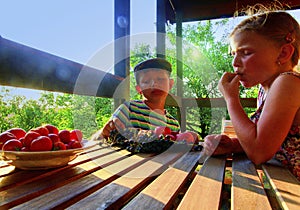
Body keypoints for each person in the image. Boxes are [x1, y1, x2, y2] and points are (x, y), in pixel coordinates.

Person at [204, 10, 300, 180]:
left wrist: (231, 99)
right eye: (234, 54)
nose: (234, 63)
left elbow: (259, 152)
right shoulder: (265, 89)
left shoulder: (288, 83)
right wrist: (233, 144)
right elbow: (267, 139)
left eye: (246, 53)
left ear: (283, 53)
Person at [92, 58, 180, 141]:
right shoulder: (128, 109)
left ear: (170, 84)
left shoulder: (173, 124)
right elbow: (96, 139)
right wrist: (103, 133)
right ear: (139, 89)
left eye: (160, 79)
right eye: (146, 81)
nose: (154, 84)